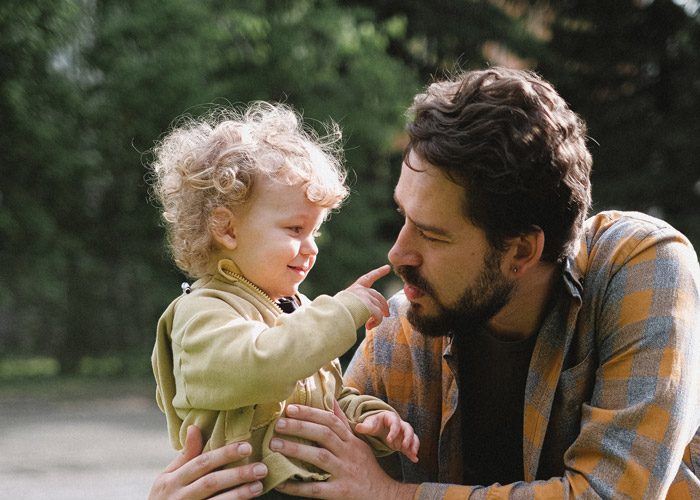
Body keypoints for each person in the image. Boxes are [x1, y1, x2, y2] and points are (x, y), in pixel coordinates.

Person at [149, 68, 700, 500]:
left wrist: (394, 495)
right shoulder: (402, 329)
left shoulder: (641, 266)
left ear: (521, 251)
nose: (397, 253)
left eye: (432, 236)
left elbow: (611, 496)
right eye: (402, 217)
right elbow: (326, 470)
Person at [147, 101, 419, 498]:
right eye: (295, 228)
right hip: (246, 488)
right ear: (227, 228)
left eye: (316, 233)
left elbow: (330, 396)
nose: (311, 248)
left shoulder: (297, 310)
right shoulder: (202, 314)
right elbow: (262, 366)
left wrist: (370, 419)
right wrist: (343, 311)